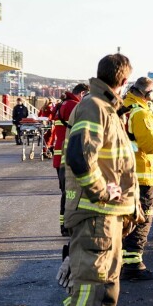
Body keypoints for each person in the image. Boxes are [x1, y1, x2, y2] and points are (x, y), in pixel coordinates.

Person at [60, 53, 139, 306]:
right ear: (123, 81)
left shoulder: (106, 109)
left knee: (105, 290)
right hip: (97, 217)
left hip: (109, 218)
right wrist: (102, 193)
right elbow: (80, 156)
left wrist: (130, 208)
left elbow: (114, 165)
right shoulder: (95, 107)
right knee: (91, 291)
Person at [120, 77, 153, 281]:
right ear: (147, 93)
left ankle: (123, 260)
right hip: (141, 175)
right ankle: (133, 265)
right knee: (142, 219)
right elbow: (150, 145)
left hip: (124, 173)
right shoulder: (140, 113)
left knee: (125, 220)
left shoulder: (125, 107)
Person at [49, 84, 89, 235]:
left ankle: (64, 225)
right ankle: (67, 226)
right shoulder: (74, 106)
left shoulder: (63, 104)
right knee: (70, 194)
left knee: (66, 193)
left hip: (60, 155)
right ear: (82, 93)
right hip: (68, 156)